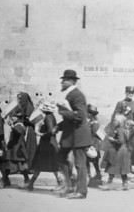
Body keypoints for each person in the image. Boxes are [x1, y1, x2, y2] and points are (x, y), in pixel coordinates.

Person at [56, 69, 92, 199]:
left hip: (79, 135)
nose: (62, 82)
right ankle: (69, 186)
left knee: (79, 163)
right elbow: (71, 116)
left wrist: (62, 112)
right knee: (60, 158)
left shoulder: (77, 95)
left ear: (71, 81)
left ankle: (82, 191)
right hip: (70, 135)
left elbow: (80, 116)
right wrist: (58, 126)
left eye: (64, 80)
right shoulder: (70, 94)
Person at [19, 100, 62, 191]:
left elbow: (50, 131)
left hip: (47, 145)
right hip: (49, 143)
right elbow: (53, 130)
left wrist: (40, 134)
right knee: (40, 164)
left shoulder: (47, 118)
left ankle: (60, 183)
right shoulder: (51, 117)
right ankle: (30, 184)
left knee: (45, 164)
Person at [0, 109, 28, 189]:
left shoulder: (20, 125)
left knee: (20, 167)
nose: (13, 118)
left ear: (19, 118)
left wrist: (12, 126)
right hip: (14, 150)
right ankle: (3, 182)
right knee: (10, 167)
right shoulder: (17, 125)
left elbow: (19, 132)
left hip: (17, 150)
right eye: (13, 117)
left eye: (15, 117)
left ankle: (3, 182)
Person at [99, 114, 130, 191]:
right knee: (122, 169)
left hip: (119, 150)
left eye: (115, 120)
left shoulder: (119, 129)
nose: (113, 121)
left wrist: (112, 139)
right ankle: (125, 184)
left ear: (119, 122)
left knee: (111, 166)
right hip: (123, 150)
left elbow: (120, 141)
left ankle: (109, 184)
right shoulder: (123, 128)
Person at [13, 92, 37, 183]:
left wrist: (25, 120)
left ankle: (29, 167)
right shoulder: (22, 107)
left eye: (20, 99)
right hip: (23, 129)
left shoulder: (30, 108)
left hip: (29, 131)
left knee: (28, 148)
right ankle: (25, 169)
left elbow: (32, 120)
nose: (19, 101)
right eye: (18, 99)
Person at [86, 104, 102, 181]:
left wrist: (91, 145)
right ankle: (96, 175)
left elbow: (95, 134)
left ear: (90, 113)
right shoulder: (92, 121)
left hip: (92, 145)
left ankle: (89, 176)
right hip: (92, 144)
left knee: (89, 161)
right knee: (93, 162)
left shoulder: (94, 122)